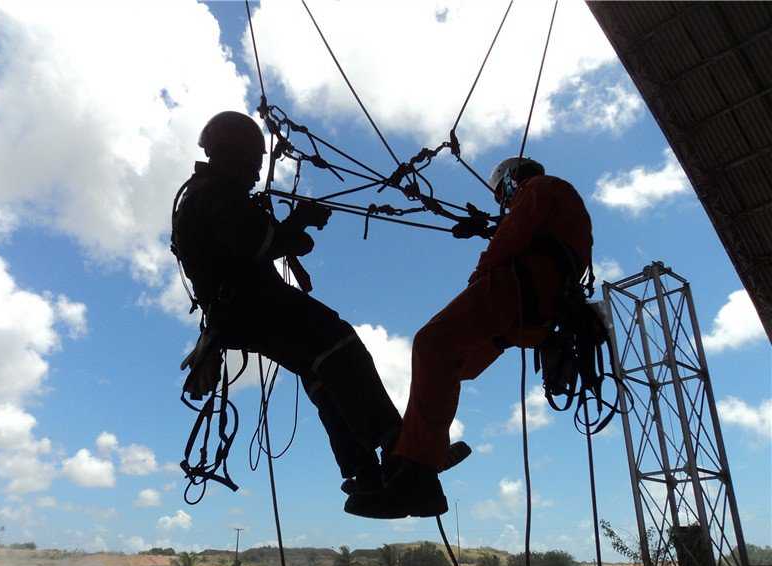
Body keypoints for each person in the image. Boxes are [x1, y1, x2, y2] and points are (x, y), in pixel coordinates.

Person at [172, 111, 468, 498]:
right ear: (237, 156)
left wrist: (297, 227)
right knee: (339, 344)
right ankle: (398, 447)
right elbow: (263, 243)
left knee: (323, 375)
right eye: (253, 164)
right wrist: (299, 224)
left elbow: (261, 241)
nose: (254, 174)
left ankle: (364, 473)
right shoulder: (212, 196)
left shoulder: (210, 194)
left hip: (243, 309)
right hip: (250, 305)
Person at [345, 156, 594, 519]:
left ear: (511, 181)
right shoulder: (562, 205)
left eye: (502, 196)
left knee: (432, 343)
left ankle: (416, 472)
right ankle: (424, 451)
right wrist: (491, 227)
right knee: (456, 365)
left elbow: (514, 233)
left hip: (518, 286)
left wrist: (481, 275)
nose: (503, 203)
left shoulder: (541, 187)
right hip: (539, 309)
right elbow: (525, 228)